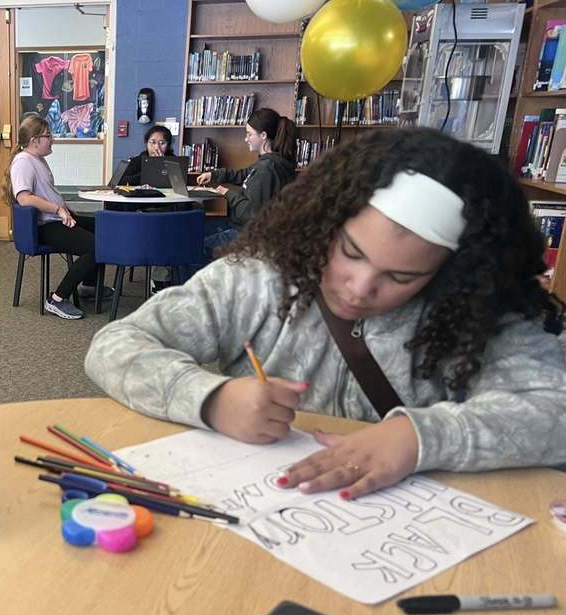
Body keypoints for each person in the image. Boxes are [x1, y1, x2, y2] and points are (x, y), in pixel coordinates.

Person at [85, 127, 566, 499]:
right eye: (351, 252)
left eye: (400, 278)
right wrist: (210, 398)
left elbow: (555, 410)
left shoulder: (481, 308)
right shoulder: (257, 279)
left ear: (451, 271)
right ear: (325, 222)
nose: (360, 289)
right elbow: (114, 346)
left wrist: (419, 437)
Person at [2, 113, 110, 320]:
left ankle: (88, 286)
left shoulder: (37, 159)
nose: (52, 140)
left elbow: (45, 192)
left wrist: (64, 207)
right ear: (34, 141)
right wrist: (58, 209)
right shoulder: (23, 162)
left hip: (55, 219)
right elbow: (24, 198)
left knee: (104, 227)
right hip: (45, 226)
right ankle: (57, 299)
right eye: (48, 136)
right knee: (96, 247)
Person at [197, 107, 297, 251]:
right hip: (246, 230)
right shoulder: (268, 162)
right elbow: (244, 174)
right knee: (196, 231)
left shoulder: (267, 169)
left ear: (263, 135)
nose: (246, 139)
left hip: (248, 235)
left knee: (192, 245)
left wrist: (226, 193)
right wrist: (214, 175)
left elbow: (249, 214)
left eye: (249, 134)